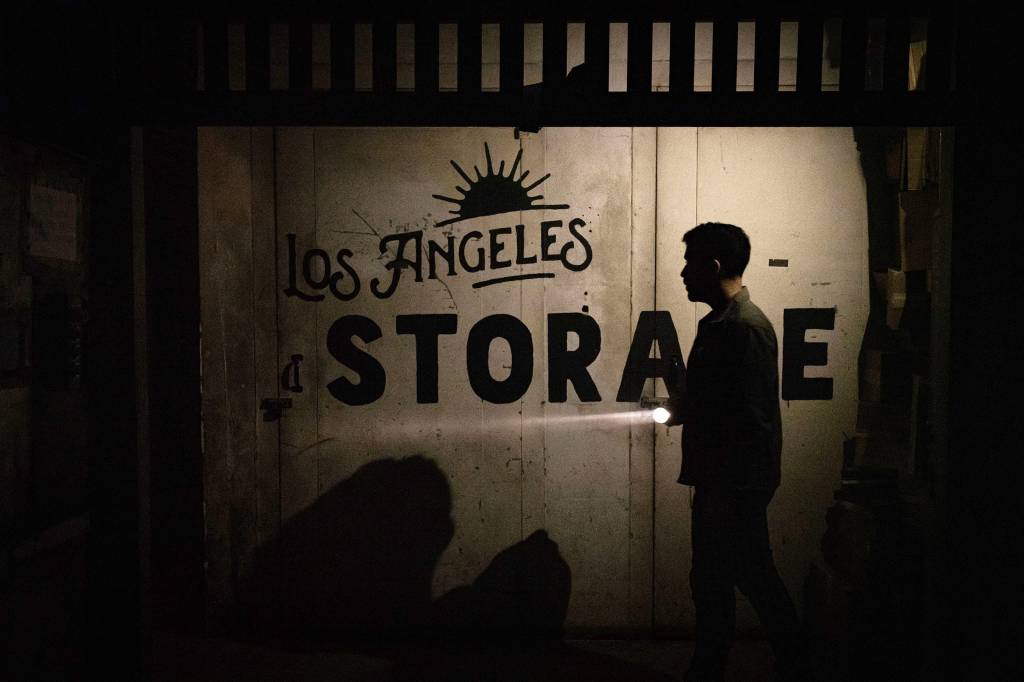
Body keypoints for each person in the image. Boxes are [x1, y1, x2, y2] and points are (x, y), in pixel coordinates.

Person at [667, 222, 811, 682]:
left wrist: (694, 414)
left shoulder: (745, 329)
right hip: (722, 480)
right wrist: (683, 409)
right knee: (721, 578)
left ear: (712, 267)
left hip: (734, 483)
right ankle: (723, 665)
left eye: (690, 263)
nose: (683, 273)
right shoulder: (719, 325)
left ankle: (787, 664)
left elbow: (751, 419)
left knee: (743, 576)